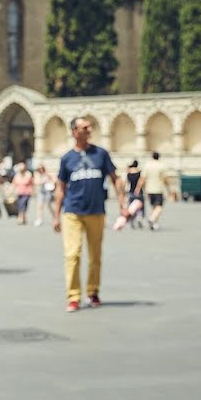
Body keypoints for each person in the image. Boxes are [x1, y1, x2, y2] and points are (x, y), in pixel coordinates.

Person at [52, 117, 128, 312]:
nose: (89, 130)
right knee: (72, 254)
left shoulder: (100, 154)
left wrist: (122, 204)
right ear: (74, 132)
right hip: (72, 211)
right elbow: (60, 187)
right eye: (84, 127)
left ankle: (93, 291)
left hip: (96, 211)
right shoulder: (67, 158)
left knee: (95, 255)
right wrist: (56, 214)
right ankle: (73, 296)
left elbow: (115, 179)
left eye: (90, 127)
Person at [136, 151, 167, 230]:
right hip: (158, 189)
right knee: (159, 207)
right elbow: (165, 178)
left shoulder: (147, 165)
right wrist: (169, 188)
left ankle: (154, 224)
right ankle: (152, 219)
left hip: (149, 189)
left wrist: (138, 188)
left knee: (153, 207)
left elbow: (142, 178)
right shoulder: (161, 165)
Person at [125, 160, 145, 229]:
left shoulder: (129, 173)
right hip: (139, 192)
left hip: (131, 192)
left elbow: (127, 183)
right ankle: (139, 218)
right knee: (140, 207)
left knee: (131, 208)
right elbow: (141, 182)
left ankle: (132, 221)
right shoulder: (139, 173)